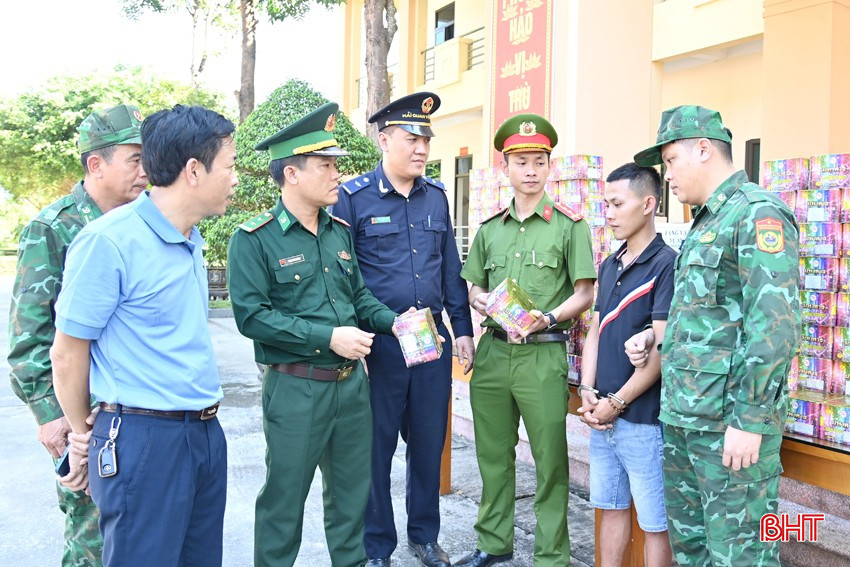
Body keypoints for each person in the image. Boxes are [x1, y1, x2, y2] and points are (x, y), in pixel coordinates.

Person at [50, 105, 237, 566]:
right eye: (230, 168)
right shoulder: (109, 241)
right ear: (194, 170)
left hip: (204, 433)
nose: (236, 180)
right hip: (144, 439)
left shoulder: (190, 238)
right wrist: (80, 434)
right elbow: (67, 352)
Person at [227, 102, 406, 567]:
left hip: (351, 387)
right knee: (283, 502)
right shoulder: (254, 238)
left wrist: (396, 322)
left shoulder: (339, 232)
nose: (337, 176)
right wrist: (328, 337)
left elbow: (360, 299)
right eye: (326, 166)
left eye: (337, 166)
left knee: (350, 500)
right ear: (291, 173)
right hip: (297, 387)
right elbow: (252, 317)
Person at [628, 105, 800, 566]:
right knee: (695, 552)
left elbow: (775, 327)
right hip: (687, 418)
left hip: (730, 427)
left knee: (742, 554)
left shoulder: (757, 214)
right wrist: (653, 336)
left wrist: (750, 419)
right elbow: (711, 313)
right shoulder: (707, 219)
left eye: (670, 161)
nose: (666, 176)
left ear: (703, 149)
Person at [332, 91, 474, 567]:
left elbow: (450, 270)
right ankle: (377, 547)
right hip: (381, 347)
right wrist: (354, 347)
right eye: (410, 138)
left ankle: (425, 536)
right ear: (384, 139)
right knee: (375, 450)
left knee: (429, 443)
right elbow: (343, 278)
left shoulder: (436, 197)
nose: (420, 149)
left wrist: (464, 330)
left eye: (425, 140)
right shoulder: (353, 198)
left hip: (431, 343)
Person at [7, 103, 147, 566]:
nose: (146, 170)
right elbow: (29, 337)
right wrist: (51, 417)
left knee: (145, 535)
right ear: (96, 164)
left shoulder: (147, 222)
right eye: (134, 159)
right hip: (82, 417)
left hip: (141, 411)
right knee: (92, 536)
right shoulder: (54, 229)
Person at [457, 113, 596, 567]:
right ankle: (493, 543)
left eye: (538, 161)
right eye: (521, 161)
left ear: (549, 166)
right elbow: (472, 284)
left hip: (543, 354)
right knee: (493, 455)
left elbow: (585, 292)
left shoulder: (569, 225)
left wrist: (548, 317)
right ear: (506, 168)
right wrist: (479, 301)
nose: (530, 170)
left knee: (550, 461)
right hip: (494, 352)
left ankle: (551, 555)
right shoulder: (490, 228)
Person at [577, 163, 675, 567]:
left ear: (649, 203)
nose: (610, 213)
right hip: (604, 415)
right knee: (611, 508)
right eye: (606, 204)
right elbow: (596, 329)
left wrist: (617, 402)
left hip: (644, 421)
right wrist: (586, 389)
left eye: (618, 204)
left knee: (654, 524)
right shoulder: (610, 263)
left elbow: (662, 351)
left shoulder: (667, 263)